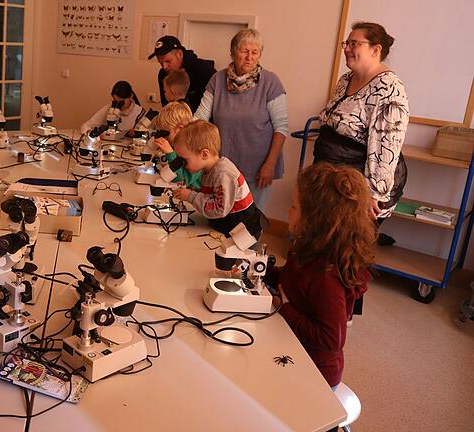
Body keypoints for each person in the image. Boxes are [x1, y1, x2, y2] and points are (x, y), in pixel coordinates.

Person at [267, 162, 374, 390]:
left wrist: (283, 306)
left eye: (294, 207)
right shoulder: (305, 249)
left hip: (314, 376)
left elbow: (331, 339)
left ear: (316, 220)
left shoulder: (326, 278)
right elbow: (292, 281)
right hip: (293, 349)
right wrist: (266, 272)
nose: (288, 212)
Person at [314, 22, 409, 247]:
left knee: (344, 249)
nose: (347, 48)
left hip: (360, 185)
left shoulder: (389, 89)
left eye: (354, 43)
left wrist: (373, 194)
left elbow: (387, 145)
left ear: (376, 50)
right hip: (333, 177)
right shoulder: (346, 79)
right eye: (346, 43)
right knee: (320, 243)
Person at [194, 29, 288, 211]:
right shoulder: (217, 79)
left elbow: (281, 128)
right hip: (223, 165)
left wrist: (270, 165)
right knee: (221, 219)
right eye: (244, 51)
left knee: (249, 224)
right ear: (232, 52)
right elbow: (200, 118)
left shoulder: (271, 82)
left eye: (255, 52)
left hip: (259, 167)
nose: (249, 57)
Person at [172, 120, 265, 239]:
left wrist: (191, 196)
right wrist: (193, 190)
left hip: (241, 231)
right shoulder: (208, 169)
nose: (182, 164)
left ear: (204, 154)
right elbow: (212, 194)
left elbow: (220, 208)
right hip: (225, 226)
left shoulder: (224, 174)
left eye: (184, 160)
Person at [149, 35, 216, 113]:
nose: (164, 67)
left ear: (179, 54)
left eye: (168, 61)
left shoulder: (203, 70)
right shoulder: (163, 74)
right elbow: (166, 106)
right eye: (161, 63)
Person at [151, 101, 201, 188]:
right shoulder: (180, 145)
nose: (165, 137)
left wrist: (170, 153)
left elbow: (181, 179)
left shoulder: (195, 149)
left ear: (180, 129)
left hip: (193, 194)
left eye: (167, 133)